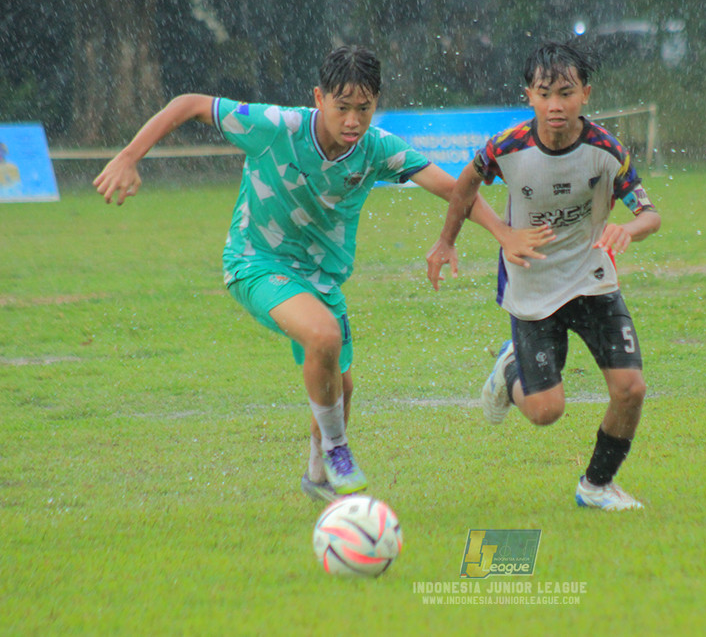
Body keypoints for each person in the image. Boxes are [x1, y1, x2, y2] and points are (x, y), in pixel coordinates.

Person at [94, 45, 545, 502]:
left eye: (363, 109)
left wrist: (503, 233)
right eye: (342, 107)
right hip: (257, 263)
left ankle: (318, 477)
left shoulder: (375, 150)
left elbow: (454, 188)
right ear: (318, 98)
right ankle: (337, 449)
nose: (352, 120)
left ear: (376, 104)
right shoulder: (275, 128)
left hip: (323, 281)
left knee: (341, 387)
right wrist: (130, 156)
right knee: (324, 338)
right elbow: (188, 103)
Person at [426, 40, 661, 511]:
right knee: (546, 412)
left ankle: (596, 486)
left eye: (566, 93)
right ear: (528, 95)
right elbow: (465, 186)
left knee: (631, 389)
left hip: (592, 280)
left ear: (586, 94)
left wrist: (628, 229)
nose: (556, 105)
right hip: (530, 281)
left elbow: (650, 213)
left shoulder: (606, 150)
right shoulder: (506, 146)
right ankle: (509, 366)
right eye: (544, 93)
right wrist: (450, 240)